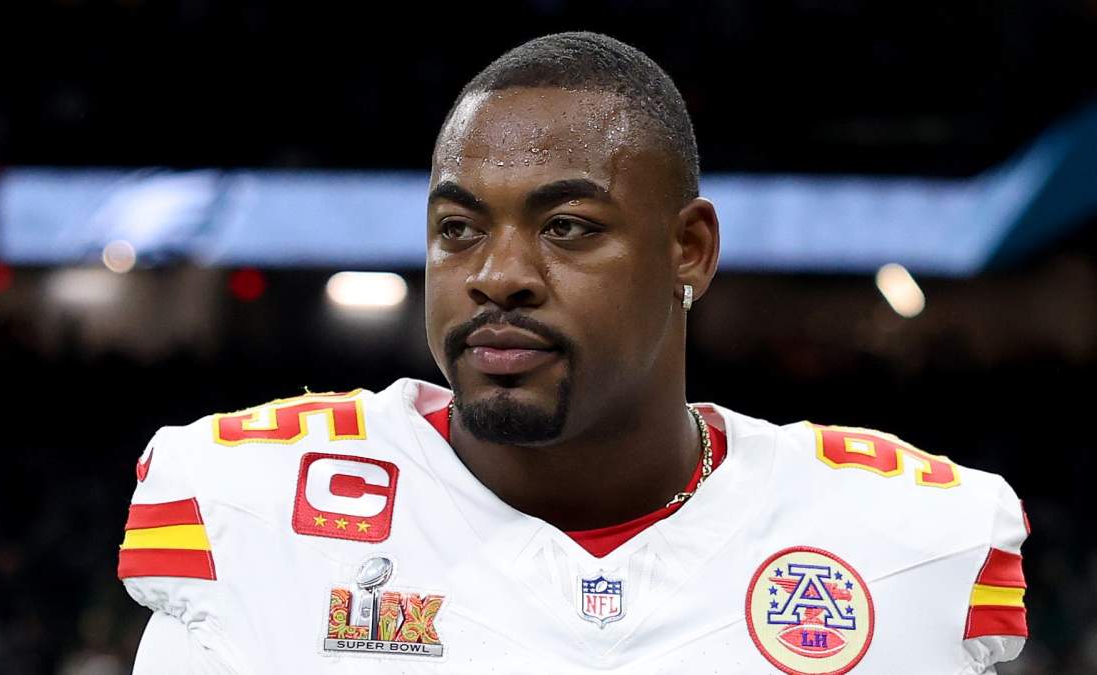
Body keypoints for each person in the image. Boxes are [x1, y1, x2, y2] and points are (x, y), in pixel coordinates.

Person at [118, 32, 1029, 674]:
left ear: (689, 250)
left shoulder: (906, 539)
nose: (497, 276)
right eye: (458, 229)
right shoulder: (249, 509)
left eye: (566, 226)